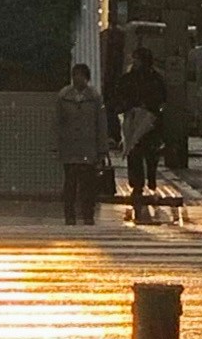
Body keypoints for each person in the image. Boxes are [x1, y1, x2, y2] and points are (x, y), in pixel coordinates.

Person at [55, 60, 109, 227]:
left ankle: (88, 214)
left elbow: (101, 124)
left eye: (80, 76)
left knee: (88, 184)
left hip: (88, 146)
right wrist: (57, 145)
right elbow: (57, 122)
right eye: (75, 76)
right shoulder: (63, 97)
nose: (77, 79)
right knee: (70, 183)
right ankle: (69, 215)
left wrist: (102, 149)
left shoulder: (95, 98)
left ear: (87, 78)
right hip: (70, 147)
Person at [118, 50, 168, 218]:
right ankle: (137, 184)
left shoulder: (153, 79)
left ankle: (149, 178)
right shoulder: (133, 78)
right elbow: (120, 94)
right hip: (135, 117)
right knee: (134, 150)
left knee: (148, 152)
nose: (135, 62)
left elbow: (162, 98)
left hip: (149, 120)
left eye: (137, 59)